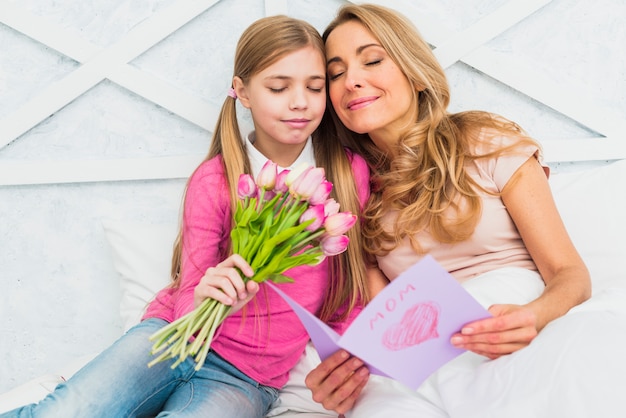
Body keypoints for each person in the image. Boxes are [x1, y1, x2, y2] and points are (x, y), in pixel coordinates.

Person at [1, 15, 372, 418]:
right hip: (167, 340)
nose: (299, 101)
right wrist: (204, 297)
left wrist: (347, 362)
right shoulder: (216, 179)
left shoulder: (347, 174)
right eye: (278, 87)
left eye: (314, 87)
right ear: (242, 92)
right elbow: (189, 289)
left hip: (245, 377)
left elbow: (351, 285)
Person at [302, 3, 592, 416]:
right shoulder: (352, 197)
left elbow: (571, 275)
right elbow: (388, 328)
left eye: (372, 60)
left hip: (511, 325)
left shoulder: (485, 139)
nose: (351, 81)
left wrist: (533, 317)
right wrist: (346, 381)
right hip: (432, 352)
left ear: (415, 71)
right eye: (335, 73)